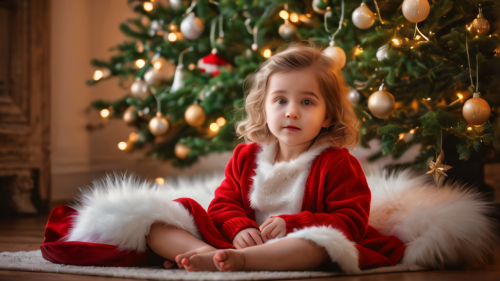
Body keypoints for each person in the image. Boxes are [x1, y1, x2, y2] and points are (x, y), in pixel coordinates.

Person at [144, 42, 406, 272]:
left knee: (321, 245)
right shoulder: (245, 157)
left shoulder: (337, 163)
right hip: (240, 243)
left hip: (293, 247)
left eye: (306, 102)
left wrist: (294, 225)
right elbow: (223, 205)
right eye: (280, 100)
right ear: (264, 107)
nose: (291, 112)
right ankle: (206, 254)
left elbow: (350, 222)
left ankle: (243, 261)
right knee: (159, 219)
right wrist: (240, 228)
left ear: (327, 115)